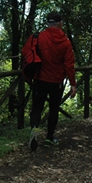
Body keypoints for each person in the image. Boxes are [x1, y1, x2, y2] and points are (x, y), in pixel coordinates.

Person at [22, 12, 77, 151]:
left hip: (40, 78)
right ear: (60, 23)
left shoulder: (39, 37)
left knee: (37, 107)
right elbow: (69, 64)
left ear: (48, 23)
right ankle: (49, 138)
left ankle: (34, 129)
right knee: (54, 109)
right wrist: (73, 84)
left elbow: (25, 52)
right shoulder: (65, 41)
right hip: (56, 81)